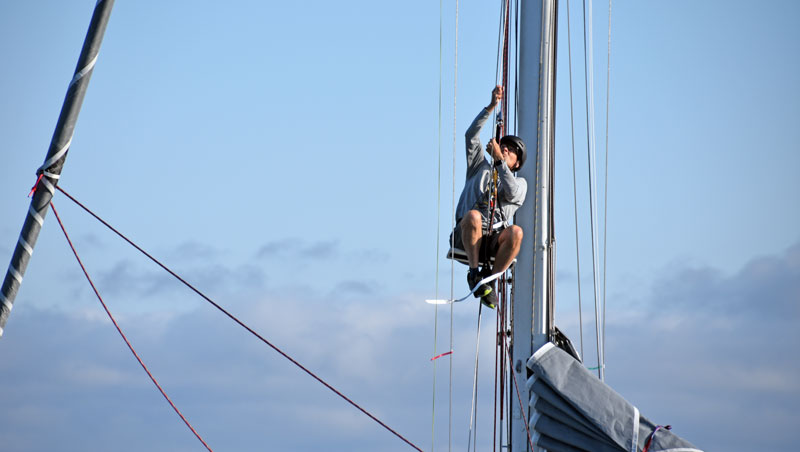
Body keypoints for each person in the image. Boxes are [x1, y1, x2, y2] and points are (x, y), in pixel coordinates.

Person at [450, 85, 527, 308]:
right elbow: (470, 135)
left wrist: (500, 163)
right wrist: (491, 107)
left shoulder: (519, 183)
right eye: (503, 146)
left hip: (493, 240)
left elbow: (511, 193)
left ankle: (490, 281)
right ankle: (474, 274)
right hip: (466, 233)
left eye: (511, 151)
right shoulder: (478, 166)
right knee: (473, 216)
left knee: (516, 232)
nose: (505, 149)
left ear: (517, 163)